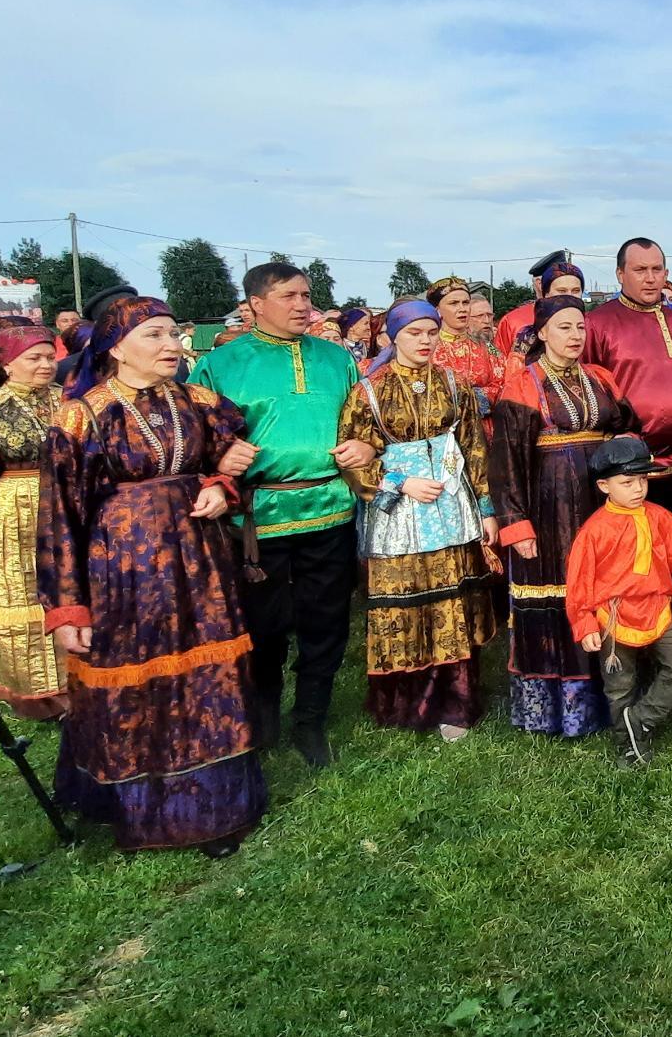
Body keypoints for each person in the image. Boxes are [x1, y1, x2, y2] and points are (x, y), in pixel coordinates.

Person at [37, 296, 266, 854]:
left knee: (207, 678)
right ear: (116, 348)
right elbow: (59, 517)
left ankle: (216, 807)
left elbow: (231, 453)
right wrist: (66, 607)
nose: (171, 347)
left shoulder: (199, 400)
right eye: (155, 337)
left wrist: (220, 485)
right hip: (123, 571)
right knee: (135, 679)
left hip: (200, 563)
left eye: (172, 335)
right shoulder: (82, 416)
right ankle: (143, 810)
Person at [188, 262, 374, 766]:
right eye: (289, 295)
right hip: (257, 517)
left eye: (306, 295)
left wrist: (365, 447)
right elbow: (192, 440)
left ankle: (311, 721)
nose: (302, 305)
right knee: (263, 626)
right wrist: (220, 457)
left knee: (327, 621)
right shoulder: (220, 365)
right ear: (255, 304)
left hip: (331, 509)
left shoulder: (337, 359)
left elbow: (365, 425)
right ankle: (264, 716)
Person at [338, 302, 497, 738]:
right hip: (400, 512)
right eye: (414, 333)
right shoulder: (368, 392)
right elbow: (350, 458)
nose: (425, 341)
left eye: (430, 332)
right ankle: (406, 704)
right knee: (406, 597)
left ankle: (457, 701)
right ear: (392, 337)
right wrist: (399, 483)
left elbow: (474, 448)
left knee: (453, 601)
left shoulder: (454, 384)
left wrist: (486, 508)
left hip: (451, 505)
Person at [490, 295, 637, 737]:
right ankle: (557, 710)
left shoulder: (600, 378)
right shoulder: (523, 385)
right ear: (542, 334)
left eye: (579, 327)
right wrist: (516, 523)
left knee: (606, 586)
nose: (574, 336)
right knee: (556, 595)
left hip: (600, 504)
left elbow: (629, 424)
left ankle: (615, 694)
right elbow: (506, 460)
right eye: (564, 328)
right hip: (549, 508)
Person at [565, 436, 672, 765]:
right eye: (627, 482)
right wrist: (584, 623)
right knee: (620, 685)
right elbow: (579, 581)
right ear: (604, 485)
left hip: (655, 609)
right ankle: (628, 745)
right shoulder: (593, 532)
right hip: (614, 616)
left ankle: (640, 718)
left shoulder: (659, 517)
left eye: (642, 480)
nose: (637, 489)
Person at [583, 238, 672, 627]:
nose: (650, 278)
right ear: (620, 274)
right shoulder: (598, 323)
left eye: (657, 269)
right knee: (634, 565)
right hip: (631, 472)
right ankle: (632, 648)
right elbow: (587, 390)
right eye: (640, 270)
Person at [0, 326, 68, 719]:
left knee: (68, 589)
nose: (46, 365)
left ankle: (77, 685)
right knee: (20, 595)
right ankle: (36, 696)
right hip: (13, 509)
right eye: (34, 358)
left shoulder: (68, 401)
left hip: (64, 504)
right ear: (7, 363)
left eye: (49, 357)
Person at [426, 277, 504, 430]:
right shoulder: (427, 348)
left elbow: (505, 382)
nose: (462, 308)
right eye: (454, 303)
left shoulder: (488, 347)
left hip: (486, 430)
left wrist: (477, 397)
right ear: (438, 310)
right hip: (443, 433)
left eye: (465, 302)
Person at [503, 252, 588, 365]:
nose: (569, 296)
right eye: (561, 291)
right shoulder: (516, 324)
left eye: (576, 291)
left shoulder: (592, 324)